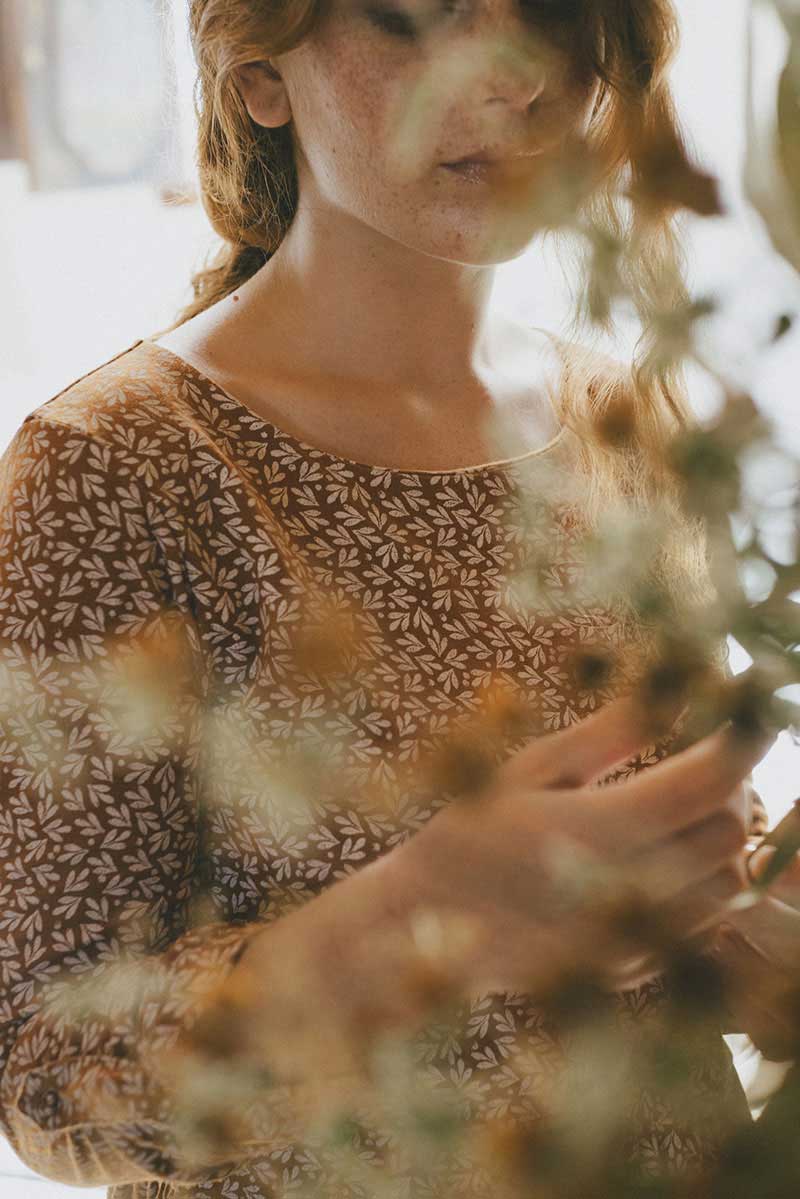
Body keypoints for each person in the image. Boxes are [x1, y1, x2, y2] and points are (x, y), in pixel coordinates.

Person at [0, 0, 796, 1197]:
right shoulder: (115, 470)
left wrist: (753, 919)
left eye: (552, 14)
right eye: (416, 16)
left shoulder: (628, 420)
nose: (510, 77)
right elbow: (50, 1075)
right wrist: (415, 922)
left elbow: (675, 944)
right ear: (259, 74)